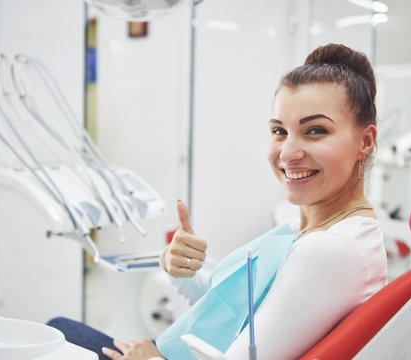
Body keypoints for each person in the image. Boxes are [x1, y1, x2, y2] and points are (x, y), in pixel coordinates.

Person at [47, 43, 387, 360]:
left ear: (365, 141)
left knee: (53, 335)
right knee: (59, 328)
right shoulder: (312, 228)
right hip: (165, 350)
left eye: (315, 131)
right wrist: (181, 269)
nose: (287, 153)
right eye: (279, 130)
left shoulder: (331, 250)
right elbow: (233, 310)